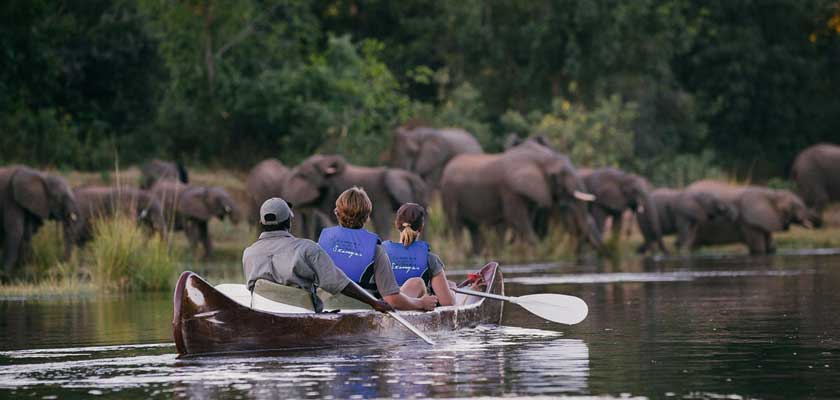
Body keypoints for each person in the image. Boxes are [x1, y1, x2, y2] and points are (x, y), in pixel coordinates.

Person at [242, 197, 392, 313]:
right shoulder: (307, 248)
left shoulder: (248, 253)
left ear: (261, 223)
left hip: (263, 314)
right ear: (289, 222)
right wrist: (374, 303)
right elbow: (338, 283)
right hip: (303, 317)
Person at [318, 187, 438, 311]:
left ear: (336, 212)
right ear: (367, 217)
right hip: (362, 313)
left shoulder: (321, 244)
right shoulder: (376, 251)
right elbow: (392, 300)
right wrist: (421, 303)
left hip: (325, 309)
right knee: (417, 284)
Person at [382, 203, 456, 306]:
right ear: (421, 227)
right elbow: (448, 304)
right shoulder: (431, 260)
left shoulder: (381, 254)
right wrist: (452, 289)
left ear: (396, 224)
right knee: (417, 284)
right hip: (413, 312)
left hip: (386, 308)